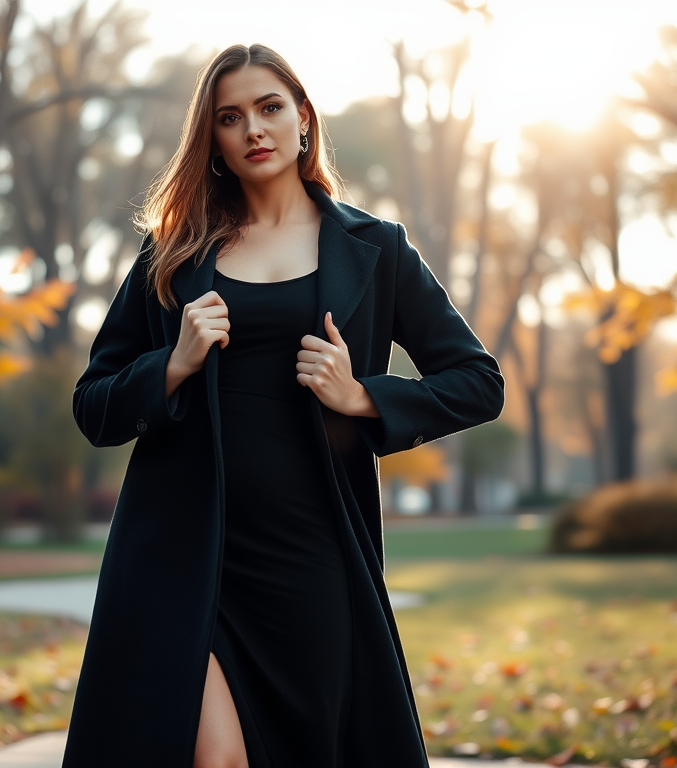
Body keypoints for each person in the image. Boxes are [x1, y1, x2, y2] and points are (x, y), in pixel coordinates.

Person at [62, 43, 504, 768]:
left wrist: (361, 394)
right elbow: (94, 406)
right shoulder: (171, 252)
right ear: (214, 142)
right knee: (216, 758)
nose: (253, 130)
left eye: (269, 108)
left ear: (303, 118)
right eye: (230, 117)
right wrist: (171, 366)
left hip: (312, 556)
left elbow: (477, 381)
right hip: (181, 550)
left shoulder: (376, 248)